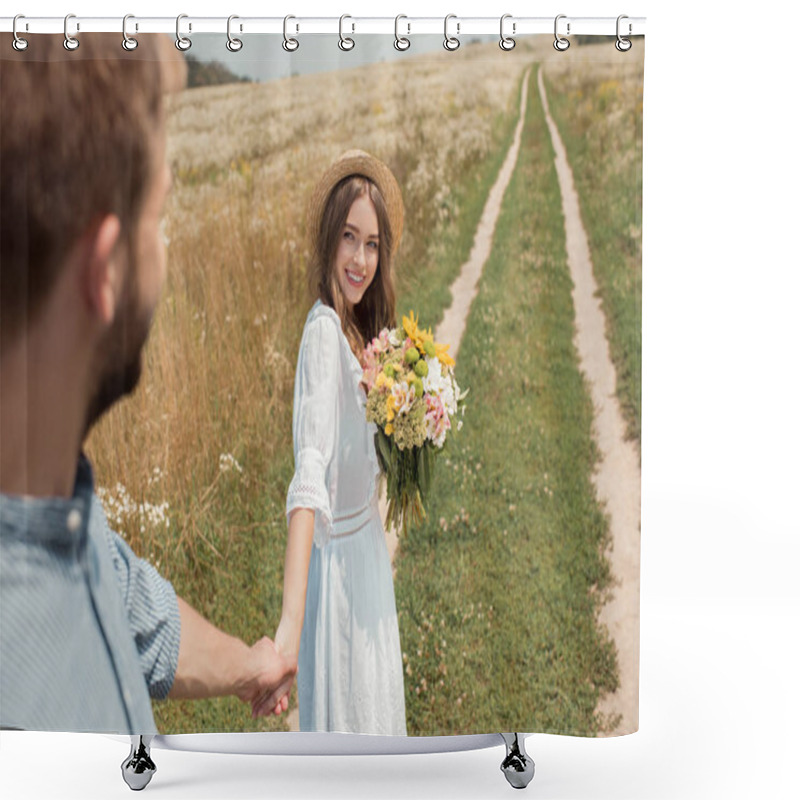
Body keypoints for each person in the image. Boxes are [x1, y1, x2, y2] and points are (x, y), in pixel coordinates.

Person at [0, 33, 294, 734]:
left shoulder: (47, 493)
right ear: (103, 272)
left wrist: (247, 664)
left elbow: (134, 608)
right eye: (156, 218)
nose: (162, 250)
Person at [272, 150, 407, 734]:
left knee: (375, 718)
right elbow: (310, 479)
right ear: (329, 239)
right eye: (349, 237)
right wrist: (289, 627)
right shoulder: (325, 334)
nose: (360, 258)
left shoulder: (360, 332)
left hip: (369, 558)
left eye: (372, 243)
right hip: (341, 580)